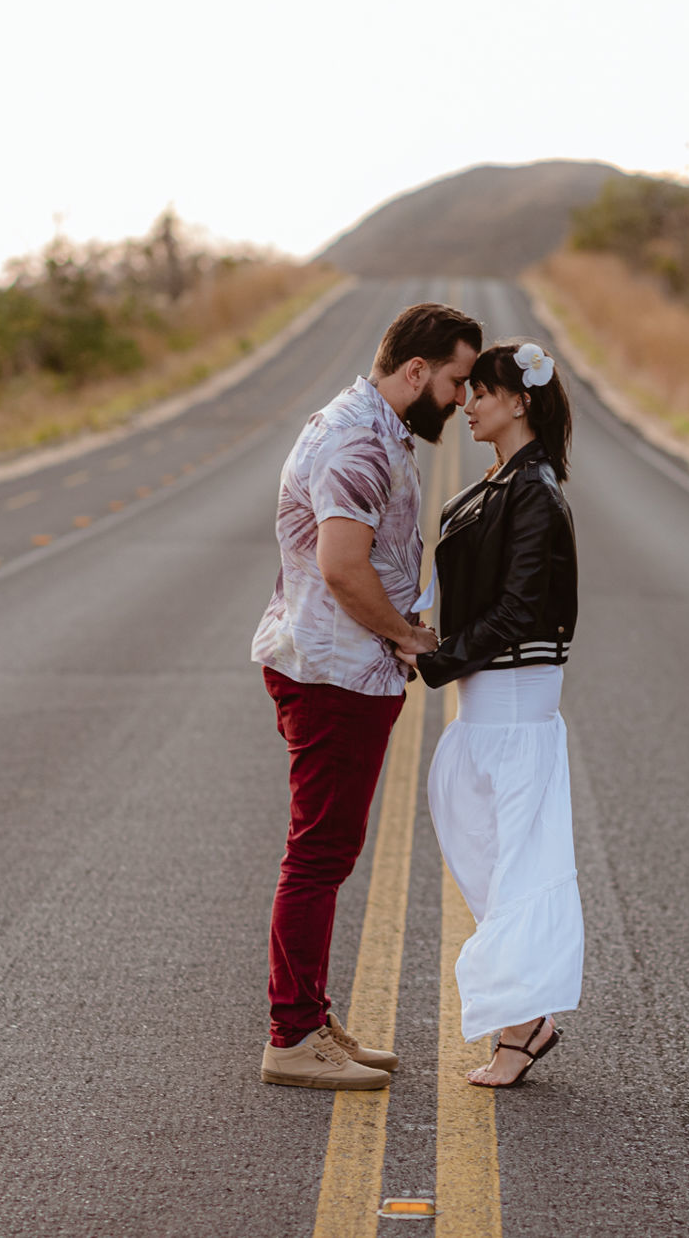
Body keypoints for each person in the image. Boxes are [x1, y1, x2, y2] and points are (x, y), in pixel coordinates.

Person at [251, 302, 481, 1090]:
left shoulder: (372, 426)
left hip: (340, 666)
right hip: (332, 671)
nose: (459, 398)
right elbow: (344, 566)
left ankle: (310, 1018)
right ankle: (292, 1036)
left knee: (327, 852)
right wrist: (410, 636)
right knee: (318, 855)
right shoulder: (355, 439)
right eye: (454, 380)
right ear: (416, 371)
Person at [401, 340, 583, 1088]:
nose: (467, 404)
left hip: (514, 710)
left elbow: (516, 610)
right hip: (484, 713)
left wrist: (434, 660)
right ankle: (527, 1016)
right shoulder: (494, 485)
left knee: (520, 874)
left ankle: (521, 1029)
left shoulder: (534, 491)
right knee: (487, 870)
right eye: (467, 390)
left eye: (482, 392)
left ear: (520, 401)